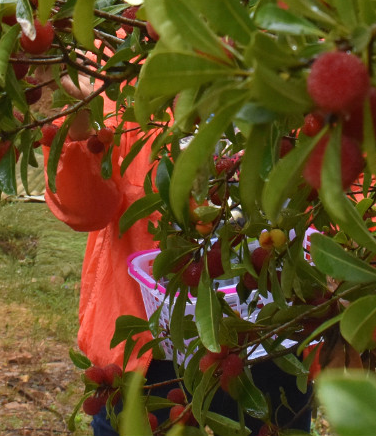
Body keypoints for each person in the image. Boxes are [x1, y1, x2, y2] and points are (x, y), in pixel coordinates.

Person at [44, 73, 313, 435]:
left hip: (271, 343)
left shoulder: (293, 60)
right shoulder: (113, 70)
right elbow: (86, 210)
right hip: (150, 357)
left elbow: (355, 183)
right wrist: (78, 130)